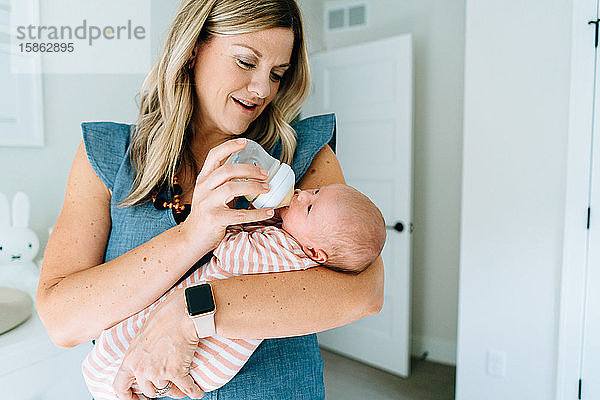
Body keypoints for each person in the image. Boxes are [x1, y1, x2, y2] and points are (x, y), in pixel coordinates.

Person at [36, 0, 384, 399]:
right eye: (245, 62)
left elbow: (365, 292)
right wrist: (194, 234)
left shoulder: (303, 154)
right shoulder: (107, 153)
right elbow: (61, 321)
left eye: (277, 73)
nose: (263, 89)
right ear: (193, 49)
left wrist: (191, 311)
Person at [82, 183, 386, 400]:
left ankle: (109, 380)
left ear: (315, 252)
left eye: (308, 206)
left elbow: (232, 255)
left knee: (125, 345)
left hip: (213, 349)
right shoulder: (302, 250)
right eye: (314, 191)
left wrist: (241, 216)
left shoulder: (286, 252)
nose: (301, 193)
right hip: (217, 364)